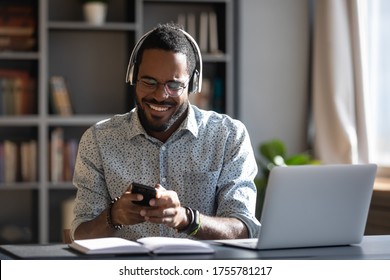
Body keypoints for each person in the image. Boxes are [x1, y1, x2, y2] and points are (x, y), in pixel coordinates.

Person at [71, 23, 260, 241]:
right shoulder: (98, 140)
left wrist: (187, 219)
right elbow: (80, 235)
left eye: (174, 85)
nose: (161, 95)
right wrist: (113, 216)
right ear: (133, 78)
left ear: (192, 84)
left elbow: (245, 228)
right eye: (149, 82)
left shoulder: (228, 136)